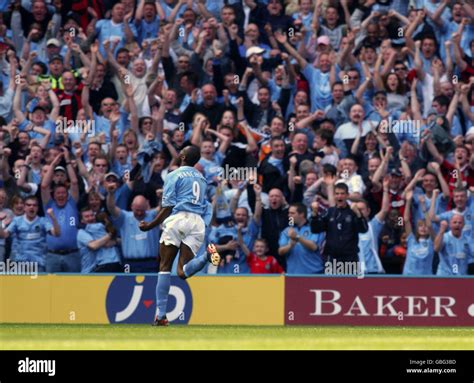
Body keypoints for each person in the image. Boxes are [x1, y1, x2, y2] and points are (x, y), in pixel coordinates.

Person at [138, 146, 221, 326]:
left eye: (180, 150)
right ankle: (207, 256)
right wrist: (203, 224)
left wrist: (150, 225)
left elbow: (167, 207)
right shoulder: (202, 178)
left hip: (178, 219)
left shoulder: (173, 175)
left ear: (182, 156)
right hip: (197, 222)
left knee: (164, 266)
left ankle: (161, 315)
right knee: (182, 272)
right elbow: (207, 206)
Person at [310, 183, 368, 265]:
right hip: (331, 258)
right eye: (337, 194)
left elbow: (364, 229)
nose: (339, 196)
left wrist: (358, 214)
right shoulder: (329, 212)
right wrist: (314, 214)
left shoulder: (353, 212)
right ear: (334, 196)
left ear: (347, 195)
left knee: (349, 278)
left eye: (342, 193)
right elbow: (315, 229)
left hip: (350, 258)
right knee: (331, 278)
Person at [0, 196, 60, 271]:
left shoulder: (43, 221)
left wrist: (53, 218)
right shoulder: (17, 221)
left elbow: (57, 234)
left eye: (34, 205)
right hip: (19, 263)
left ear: (37, 208)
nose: (32, 207)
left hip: (38, 264)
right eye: (29, 205)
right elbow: (4, 235)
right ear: (24, 207)